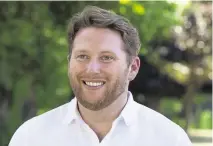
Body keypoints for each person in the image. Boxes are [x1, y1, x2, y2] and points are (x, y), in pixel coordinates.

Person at [9, 6, 192, 146]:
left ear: (133, 68)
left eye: (106, 57)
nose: (92, 69)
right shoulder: (30, 138)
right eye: (82, 56)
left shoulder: (170, 139)